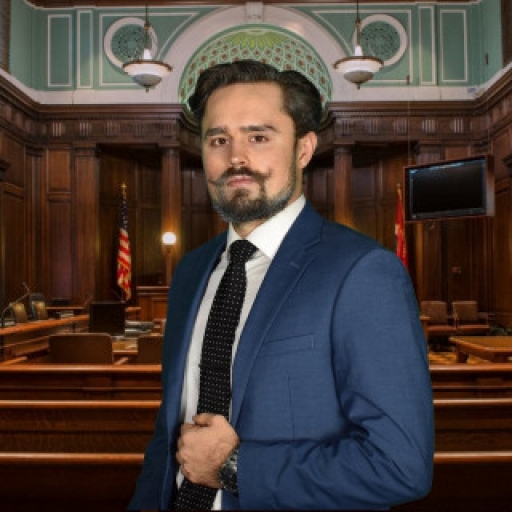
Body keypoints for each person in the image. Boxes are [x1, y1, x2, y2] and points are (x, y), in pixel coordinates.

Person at [129, 59, 434, 511]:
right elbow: (168, 434)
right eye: (218, 140)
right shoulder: (191, 271)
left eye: (259, 137)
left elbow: (400, 465)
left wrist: (233, 467)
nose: (236, 158)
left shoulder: (364, 271)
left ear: (304, 149)